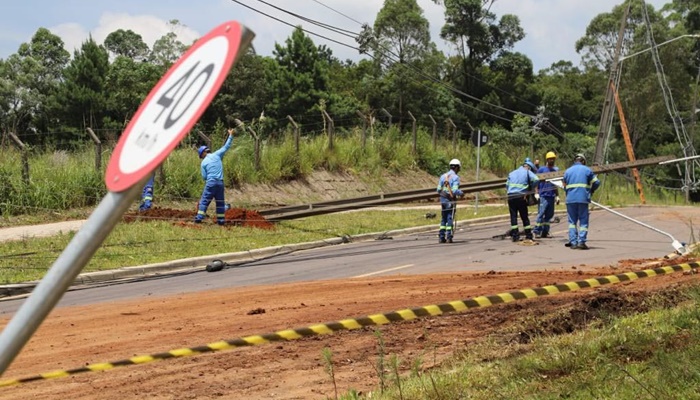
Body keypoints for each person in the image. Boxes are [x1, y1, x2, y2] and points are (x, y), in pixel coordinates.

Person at [195, 129, 235, 225]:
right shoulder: (217, 155)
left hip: (211, 183)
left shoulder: (203, 163)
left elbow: (204, 177)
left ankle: (199, 218)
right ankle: (221, 221)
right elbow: (226, 146)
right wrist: (231, 136)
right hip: (220, 183)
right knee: (220, 203)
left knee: (204, 201)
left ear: (202, 154)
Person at [562, 153, 600, 250]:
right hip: (583, 199)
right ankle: (581, 242)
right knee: (583, 221)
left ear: (575, 161)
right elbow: (596, 182)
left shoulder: (568, 171)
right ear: (583, 161)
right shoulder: (587, 170)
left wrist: (568, 192)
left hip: (570, 199)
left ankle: (573, 242)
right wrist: (591, 190)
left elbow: (564, 184)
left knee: (572, 222)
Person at [506, 158, 539, 242]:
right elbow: (536, 179)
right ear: (529, 167)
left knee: (513, 216)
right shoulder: (527, 172)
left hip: (510, 196)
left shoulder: (512, 173)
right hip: (521, 196)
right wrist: (531, 188)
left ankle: (515, 236)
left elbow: (507, 185)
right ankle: (528, 235)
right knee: (524, 216)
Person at [532, 151, 560, 238]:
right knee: (541, 213)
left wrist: (557, 195)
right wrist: (536, 192)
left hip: (551, 196)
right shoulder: (542, 170)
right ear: (547, 159)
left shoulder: (556, 170)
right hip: (543, 195)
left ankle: (545, 231)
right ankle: (537, 230)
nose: (552, 160)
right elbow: (536, 182)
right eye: (550, 159)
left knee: (549, 215)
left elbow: (556, 184)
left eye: (553, 159)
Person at [436, 158, 464, 243]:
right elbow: (455, 190)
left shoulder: (443, 176)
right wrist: (461, 193)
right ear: (456, 168)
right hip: (450, 200)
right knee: (450, 217)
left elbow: (438, 189)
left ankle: (441, 236)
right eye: (458, 168)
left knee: (443, 217)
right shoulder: (455, 177)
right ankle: (449, 236)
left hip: (443, 199)